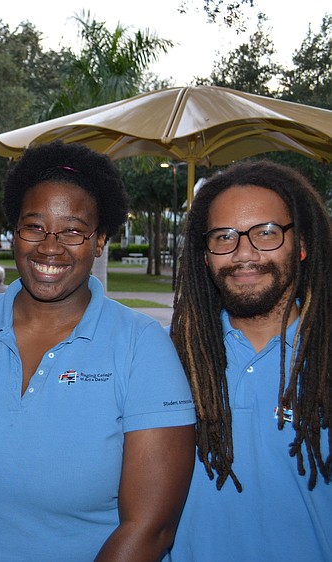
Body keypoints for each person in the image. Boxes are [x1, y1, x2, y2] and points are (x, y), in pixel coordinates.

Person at [0, 140, 197, 562]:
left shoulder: (141, 346)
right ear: (15, 230)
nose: (50, 246)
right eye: (34, 226)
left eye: (73, 230)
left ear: (100, 241)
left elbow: (150, 527)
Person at [170, 160, 332, 561]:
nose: (244, 253)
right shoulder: (172, 360)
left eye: (266, 233)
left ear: (302, 244)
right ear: (205, 256)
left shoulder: (325, 362)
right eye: (224, 237)